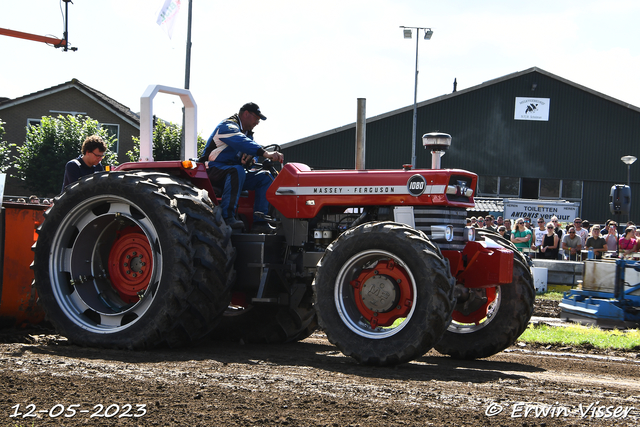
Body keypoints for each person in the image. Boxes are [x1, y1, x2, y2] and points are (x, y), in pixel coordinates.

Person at [201, 103, 283, 231]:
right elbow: (241, 141)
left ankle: (259, 223)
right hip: (212, 169)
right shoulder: (227, 126)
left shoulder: (247, 133)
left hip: (232, 173)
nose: (257, 122)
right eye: (256, 118)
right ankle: (228, 217)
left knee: (265, 177)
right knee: (237, 170)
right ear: (246, 114)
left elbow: (250, 149)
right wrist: (265, 153)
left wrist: (251, 158)